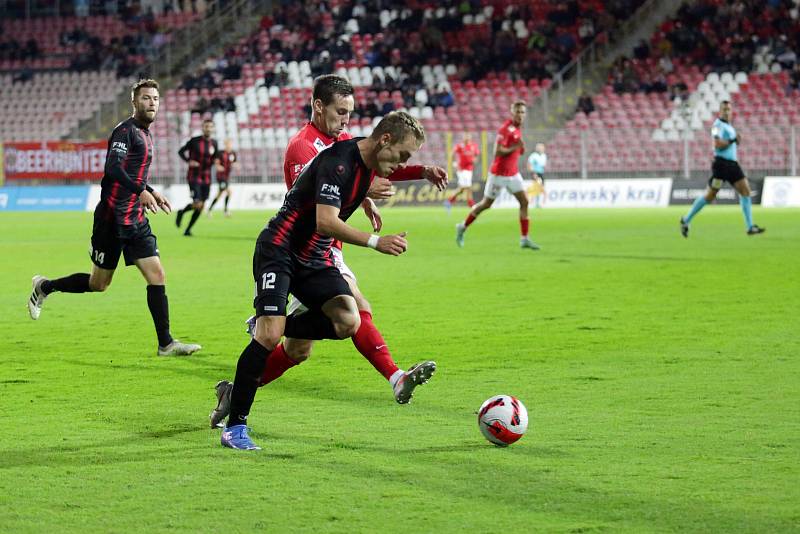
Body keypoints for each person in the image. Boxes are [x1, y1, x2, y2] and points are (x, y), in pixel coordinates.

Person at [210, 75, 444, 430]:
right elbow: (322, 204)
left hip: (318, 251)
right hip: (294, 245)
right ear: (319, 106)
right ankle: (393, 376)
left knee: (311, 339)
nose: (346, 119)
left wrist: (417, 172)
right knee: (337, 316)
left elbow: (369, 168)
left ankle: (243, 376)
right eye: (340, 111)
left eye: (350, 112)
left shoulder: (350, 145)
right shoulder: (306, 147)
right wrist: (373, 237)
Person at [26, 79, 201, 357]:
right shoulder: (125, 131)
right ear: (134, 102)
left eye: (155, 98)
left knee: (157, 275)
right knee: (99, 284)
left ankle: (166, 343)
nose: (152, 102)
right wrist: (141, 190)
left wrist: (152, 192)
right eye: (146, 98)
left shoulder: (146, 134)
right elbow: (113, 168)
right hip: (111, 218)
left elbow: (136, 175)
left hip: (136, 220)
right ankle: (45, 286)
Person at [455, 101, 540, 250]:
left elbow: (514, 150)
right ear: (512, 112)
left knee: (525, 202)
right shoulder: (505, 129)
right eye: (517, 112)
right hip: (499, 175)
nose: (520, 115)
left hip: (513, 174)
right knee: (486, 204)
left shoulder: (517, 129)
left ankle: (524, 239)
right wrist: (516, 147)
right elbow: (498, 151)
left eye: (522, 112)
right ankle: (462, 227)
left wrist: (520, 149)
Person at [680, 100, 765, 237]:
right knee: (710, 195)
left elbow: (729, 144)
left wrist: (736, 140)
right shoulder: (717, 125)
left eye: (729, 109)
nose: (727, 112)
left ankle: (750, 227)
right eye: (724, 109)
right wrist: (732, 140)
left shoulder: (729, 127)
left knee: (745, 191)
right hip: (721, 165)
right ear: (720, 111)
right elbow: (717, 144)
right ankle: (686, 220)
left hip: (733, 165)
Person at [175, 119, 218, 236]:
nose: (208, 129)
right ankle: (181, 212)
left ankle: (188, 229)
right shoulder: (195, 141)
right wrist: (189, 161)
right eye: (206, 126)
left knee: (202, 206)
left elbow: (215, 157)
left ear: (213, 129)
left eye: (210, 127)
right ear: (203, 128)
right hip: (194, 176)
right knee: (198, 204)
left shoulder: (214, 143)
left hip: (207, 178)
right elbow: (181, 151)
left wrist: (217, 163)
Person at [443, 132, 479, 211]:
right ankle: (471, 204)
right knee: (468, 186)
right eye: (465, 136)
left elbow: (476, 156)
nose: (466, 138)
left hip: (470, 169)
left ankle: (449, 201)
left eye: (468, 136)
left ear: (470, 137)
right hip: (462, 170)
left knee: (462, 188)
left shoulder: (473, 146)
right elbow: (451, 153)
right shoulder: (460, 146)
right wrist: (454, 163)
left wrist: (474, 160)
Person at [208, 138, 237, 217]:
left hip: (227, 176)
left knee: (220, 194)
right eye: (227, 144)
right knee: (229, 192)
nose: (229, 145)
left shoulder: (233, 153)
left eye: (230, 144)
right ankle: (225, 211)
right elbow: (216, 163)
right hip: (220, 177)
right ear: (225, 144)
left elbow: (235, 162)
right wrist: (218, 166)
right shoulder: (220, 153)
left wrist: (236, 165)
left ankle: (210, 210)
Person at [527, 142, 547, 209]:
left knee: (540, 188)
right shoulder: (533, 155)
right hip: (535, 173)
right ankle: (535, 203)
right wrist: (533, 173)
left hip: (541, 173)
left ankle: (537, 203)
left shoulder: (544, 156)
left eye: (542, 147)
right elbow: (529, 164)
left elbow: (543, 166)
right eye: (540, 147)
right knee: (537, 188)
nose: (541, 148)